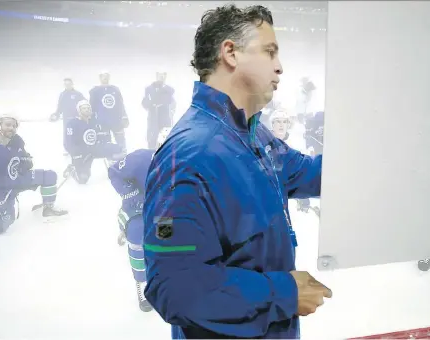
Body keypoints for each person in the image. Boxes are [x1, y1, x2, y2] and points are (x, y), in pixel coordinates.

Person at [142, 4, 331, 339]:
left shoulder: (255, 135)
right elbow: (175, 288)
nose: (280, 67)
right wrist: (284, 293)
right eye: (270, 52)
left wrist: (366, 162)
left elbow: (308, 173)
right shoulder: (189, 156)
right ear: (230, 52)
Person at [0, 114, 68, 234]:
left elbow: (25, 161)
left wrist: (26, 161)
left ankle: (48, 207)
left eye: (14, 126)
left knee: (49, 176)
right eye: (8, 125)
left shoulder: (16, 142)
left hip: (16, 181)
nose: (12, 128)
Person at [107, 127, 171, 313]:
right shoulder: (141, 157)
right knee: (137, 235)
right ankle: (142, 283)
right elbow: (113, 171)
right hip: (136, 210)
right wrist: (129, 193)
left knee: (165, 242)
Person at [63, 100, 126, 184]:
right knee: (83, 179)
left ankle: (115, 169)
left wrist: (106, 144)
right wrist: (75, 153)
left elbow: (104, 135)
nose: (86, 110)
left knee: (119, 149)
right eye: (84, 108)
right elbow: (68, 143)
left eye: (88, 108)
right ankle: (72, 169)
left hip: (95, 148)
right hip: (82, 152)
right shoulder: (72, 123)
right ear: (79, 110)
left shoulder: (95, 121)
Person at [89, 71, 129, 151]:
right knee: (106, 141)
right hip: (102, 121)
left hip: (116, 120)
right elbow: (92, 107)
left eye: (106, 76)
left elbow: (120, 104)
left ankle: (123, 154)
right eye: (103, 76)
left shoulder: (115, 89)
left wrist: (124, 117)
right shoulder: (95, 91)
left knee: (120, 140)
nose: (105, 78)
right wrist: (92, 121)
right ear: (100, 78)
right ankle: (109, 156)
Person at [49, 78, 86, 154]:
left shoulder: (78, 94)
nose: (67, 86)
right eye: (66, 84)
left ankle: (79, 147)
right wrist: (56, 114)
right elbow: (60, 107)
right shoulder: (62, 95)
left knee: (78, 133)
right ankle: (67, 149)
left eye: (69, 84)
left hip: (77, 118)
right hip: (67, 119)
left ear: (72, 84)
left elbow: (84, 103)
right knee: (67, 134)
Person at [141, 71, 176, 149]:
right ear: (156, 76)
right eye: (160, 75)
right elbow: (144, 103)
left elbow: (172, 104)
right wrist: (150, 104)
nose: (162, 77)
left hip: (165, 119)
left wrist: (171, 112)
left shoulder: (168, 90)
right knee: (151, 139)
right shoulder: (149, 89)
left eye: (163, 75)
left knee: (165, 140)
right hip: (153, 119)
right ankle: (151, 156)